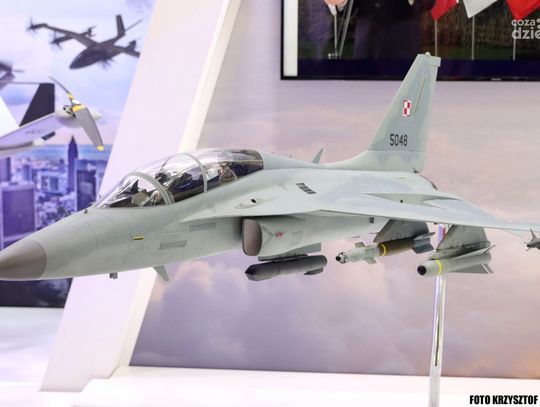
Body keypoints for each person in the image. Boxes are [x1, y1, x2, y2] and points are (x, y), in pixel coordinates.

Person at [323, 0, 435, 59]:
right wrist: (342, 3)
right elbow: (349, 8)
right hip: (366, 49)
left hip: (404, 47)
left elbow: (429, 2)